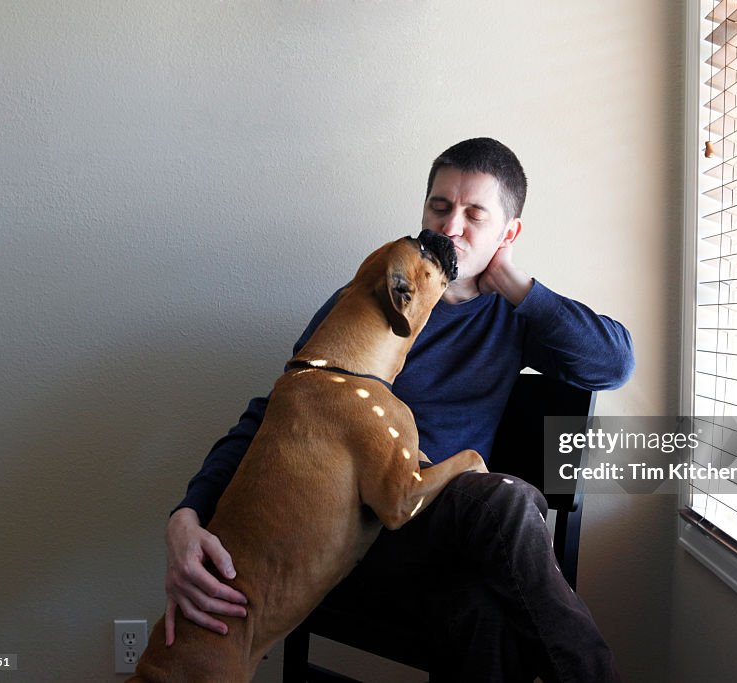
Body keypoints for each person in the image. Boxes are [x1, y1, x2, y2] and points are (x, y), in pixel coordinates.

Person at [164, 138, 635, 681]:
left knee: (483, 610)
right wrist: (187, 513)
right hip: (350, 540)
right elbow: (278, 412)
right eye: (439, 206)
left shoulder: (513, 318)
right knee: (508, 502)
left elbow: (615, 364)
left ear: (509, 233)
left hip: (447, 536)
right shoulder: (374, 296)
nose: (449, 227)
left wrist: (517, 286)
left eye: (474, 215)